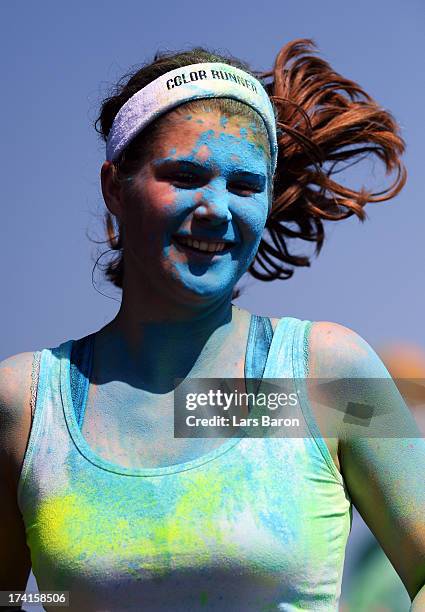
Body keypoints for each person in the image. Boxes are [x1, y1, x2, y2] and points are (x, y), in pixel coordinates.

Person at [1, 39, 424, 611]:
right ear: (113, 189)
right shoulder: (27, 404)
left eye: (245, 186)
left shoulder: (324, 378)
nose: (217, 209)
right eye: (185, 175)